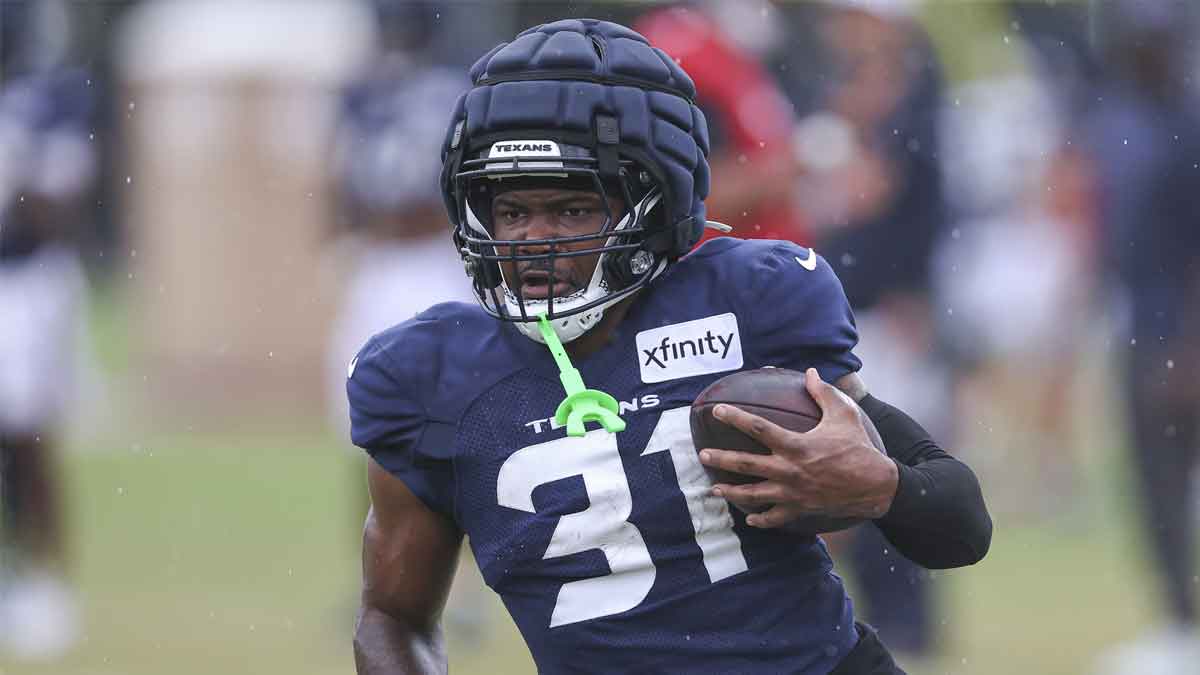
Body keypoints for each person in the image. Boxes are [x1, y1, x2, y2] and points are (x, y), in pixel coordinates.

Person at [347, 19, 991, 674]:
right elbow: (392, 617)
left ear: (653, 202)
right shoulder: (431, 375)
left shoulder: (748, 304)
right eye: (512, 211)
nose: (533, 241)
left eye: (572, 209)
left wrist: (882, 487)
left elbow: (962, 525)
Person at [0, 67, 93, 660]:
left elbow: (59, 199)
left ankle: (46, 580)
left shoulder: (45, 97)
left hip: (24, 282)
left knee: (26, 438)